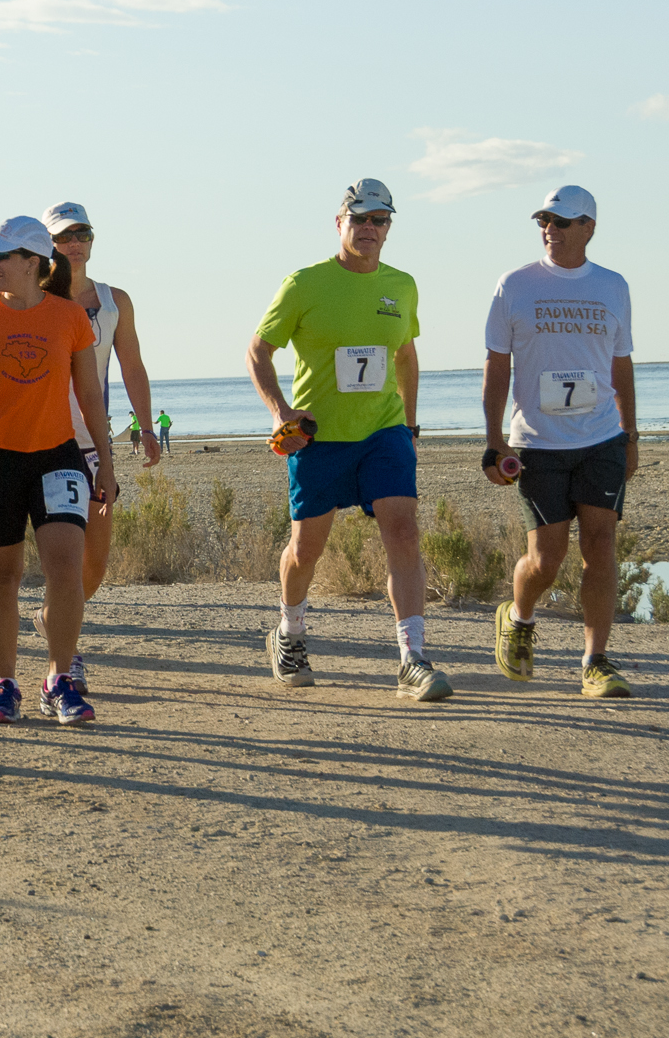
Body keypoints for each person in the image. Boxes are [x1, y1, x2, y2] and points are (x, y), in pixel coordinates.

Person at [247, 179, 450, 702]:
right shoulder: (304, 284)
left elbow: (404, 354)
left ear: (388, 228)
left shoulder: (402, 285)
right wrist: (280, 413)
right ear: (339, 224)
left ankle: (413, 658)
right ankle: (289, 633)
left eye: (379, 220)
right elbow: (258, 352)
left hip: (383, 432)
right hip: (318, 439)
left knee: (402, 532)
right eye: (358, 219)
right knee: (306, 549)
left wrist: (408, 423)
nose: (368, 228)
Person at [0, 217, 116, 726]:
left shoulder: (70, 317)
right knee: (0, 576)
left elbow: (90, 396)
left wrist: (105, 459)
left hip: (58, 457)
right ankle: (5, 684)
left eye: (0, 256)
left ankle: (59, 680)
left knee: (65, 568)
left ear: (33, 263)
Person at [484, 185, 640, 699]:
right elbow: (497, 364)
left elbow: (621, 365)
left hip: (600, 440)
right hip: (538, 444)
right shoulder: (515, 285)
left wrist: (630, 433)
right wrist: (493, 440)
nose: (550, 229)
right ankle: (520, 616)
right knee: (546, 559)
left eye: (562, 221)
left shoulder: (614, 286)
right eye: (544, 221)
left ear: (589, 228)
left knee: (601, 544)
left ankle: (595, 660)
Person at [35, 202, 161, 681]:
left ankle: (54, 622)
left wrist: (146, 427)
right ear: (47, 243)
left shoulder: (114, 300)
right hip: (42, 440)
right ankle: (66, 658)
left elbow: (131, 365)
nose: (75, 242)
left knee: (96, 561)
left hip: (93, 442)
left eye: (82, 232)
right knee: (62, 557)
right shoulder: (33, 297)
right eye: (65, 235)